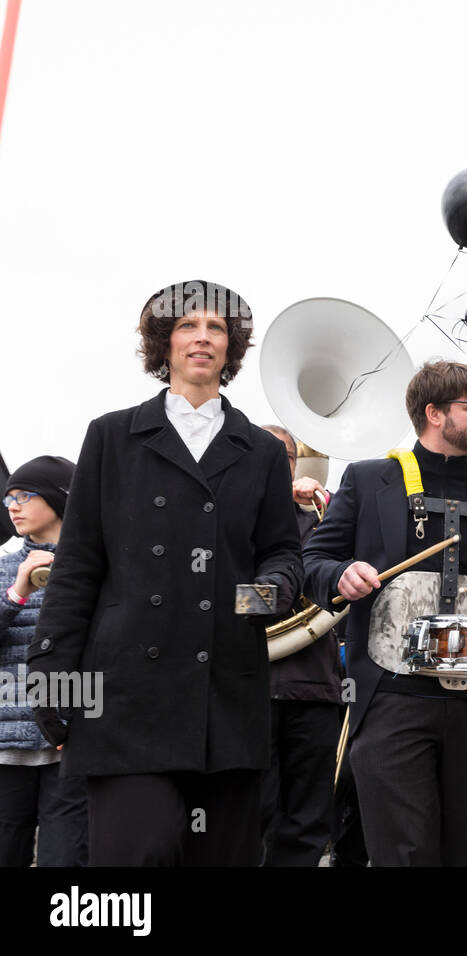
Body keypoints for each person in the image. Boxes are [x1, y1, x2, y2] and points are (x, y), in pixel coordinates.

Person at [27, 280, 303, 866]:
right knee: (136, 856)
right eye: (187, 325)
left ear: (231, 349)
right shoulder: (111, 435)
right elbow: (77, 567)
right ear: (164, 343)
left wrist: (262, 597)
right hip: (125, 699)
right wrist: (51, 680)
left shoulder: (259, 451)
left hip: (226, 694)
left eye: (217, 328)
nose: (202, 336)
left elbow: (283, 553)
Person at [301, 360, 467, 866]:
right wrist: (341, 575)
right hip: (390, 700)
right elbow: (314, 560)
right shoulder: (368, 478)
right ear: (434, 413)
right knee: (404, 852)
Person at [259, 426, 344, 866]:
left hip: (314, 686)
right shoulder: (225, 514)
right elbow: (228, 598)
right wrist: (271, 596)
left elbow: (338, 582)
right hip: (249, 685)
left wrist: (325, 510)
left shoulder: (318, 515)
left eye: (286, 457)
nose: (276, 464)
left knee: (308, 817)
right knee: (252, 811)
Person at [0, 456, 88, 866]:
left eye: (24, 496)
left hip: (74, 739)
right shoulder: (3, 568)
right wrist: (16, 592)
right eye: (9, 498)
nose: (13, 506)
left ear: (58, 498)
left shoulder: (96, 567)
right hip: (6, 745)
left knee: (66, 860)